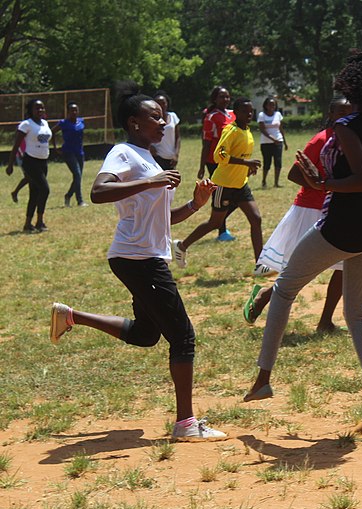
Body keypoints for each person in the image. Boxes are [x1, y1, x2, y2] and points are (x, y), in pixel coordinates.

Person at [244, 52, 362, 432]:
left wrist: (323, 183)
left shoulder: (346, 126)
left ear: (351, 90)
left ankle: (263, 379)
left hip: (343, 227)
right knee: (356, 315)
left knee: (284, 289)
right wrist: (328, 176)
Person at [49, 90, 226, 442]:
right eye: (155, 116)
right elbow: (99, 191)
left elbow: (162, 220)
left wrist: (195, 203)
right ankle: (186, 424)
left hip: (140, 256)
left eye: (163, 116)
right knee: (183, 337)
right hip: (138, 258)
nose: (163, 121)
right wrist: (151, 180)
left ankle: (71, 316)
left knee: (147, 335)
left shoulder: (149, 158)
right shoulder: (124, 152)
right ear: (134, 123)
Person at [245, 97, 352, 333]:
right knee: (300, 269)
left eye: (350, 111)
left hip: (336, 209)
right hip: (310, 211)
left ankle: (325, 322)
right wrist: (320, 186)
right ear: (331, 113)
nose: (346, 115)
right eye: (341, 111)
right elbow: (294, 173)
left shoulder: (350, 140)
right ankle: (264, 296)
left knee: (343, 267)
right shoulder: (322, 139)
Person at [173, 98, 263, 268]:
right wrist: (246, 163)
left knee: (256, 219)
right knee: (215, 223)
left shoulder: (248, 131)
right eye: (245, 111)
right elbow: (219, 155)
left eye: (251, 111)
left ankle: (260, 265)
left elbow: (241, 155)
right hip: (223, 185)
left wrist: (248, 167)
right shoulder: (231, 130)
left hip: (240, 184)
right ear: (235, 112)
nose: (249, 114)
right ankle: (182, 246)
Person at [5, 99, 51, 232]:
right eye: (37, 108)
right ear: (30, 110)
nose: (40, 110)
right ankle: (40, 221)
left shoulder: (44, 123)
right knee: (45, 189)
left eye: (42, 108)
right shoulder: (26, 124)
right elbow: (16, 145)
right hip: (30, 162)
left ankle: (27, 224)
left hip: (43, 161)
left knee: (35, 192)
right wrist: (10, 164)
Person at [197, 86, 236, 242]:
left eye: (227, 96)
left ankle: (218, 220)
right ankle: (222, 231)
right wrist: (201, 166)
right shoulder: (211, 117)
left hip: (233, 161)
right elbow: (206, 143)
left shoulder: (233, 114)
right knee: (221, 196)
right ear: (214, 99)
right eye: (221, 97)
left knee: (236, 196)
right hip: (215, 162)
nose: (225, 99)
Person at [51, 101, 87, 207]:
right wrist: (55, 147)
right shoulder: (63, 123)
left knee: (78, 177)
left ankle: (68, 195)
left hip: (79, 152)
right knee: (77, 174)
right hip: (68, 152)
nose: (74, 112)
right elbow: (52, 132)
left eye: (76, 110)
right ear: (67, 112)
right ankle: (80, 200)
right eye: (72, 110)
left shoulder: (81, 121)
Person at [257, 98, 288, 188]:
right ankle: (264, 181)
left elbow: (281, 128)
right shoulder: (262, 115)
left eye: (273, 105)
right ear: (266, 105)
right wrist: (272, 139)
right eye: (270, 104)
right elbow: (262, 129)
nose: (272, 106)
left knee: (278, 162)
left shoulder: (278, 114)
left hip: (278, 141)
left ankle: (276, 183)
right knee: (267, 162)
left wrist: (285, 142)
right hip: (266, 143)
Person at [150, 91, 181, 171]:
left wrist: (176, 154)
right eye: (158, 103)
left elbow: (178, 137)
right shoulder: (151, 119)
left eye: (163, 103)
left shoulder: (173, 116)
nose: (161, 106)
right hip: (156, 157)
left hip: (170, 157)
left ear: (167, 103)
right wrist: (149, 147)